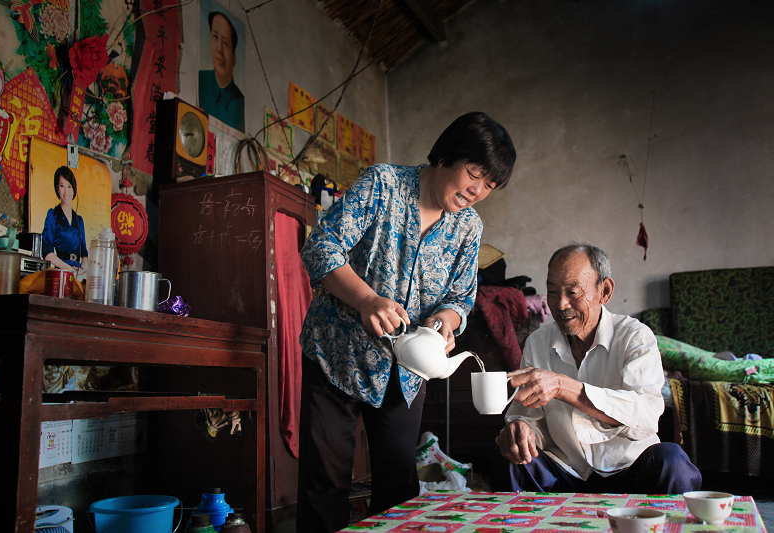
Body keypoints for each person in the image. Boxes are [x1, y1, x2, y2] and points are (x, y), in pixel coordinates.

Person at [298, 112, 517, 532]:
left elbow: (461, 298)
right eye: (474, 174)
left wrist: (444, 323)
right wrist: (366, 300)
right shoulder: (383, 185)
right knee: (325, 485)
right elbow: (321, 248)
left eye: (489, 185)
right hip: (336, 355)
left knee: (398, 489)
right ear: (447, 156)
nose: (476, 191)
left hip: (406, 372)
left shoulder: (468, 228)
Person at [491, 242, 701, 494]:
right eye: (553, 291)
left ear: (605, 291)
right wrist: (523, 430)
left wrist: (562, 386)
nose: (561, 305)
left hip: (630, 469)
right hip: (565, 473)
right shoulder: (538, 342)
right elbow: (531, 419)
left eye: (573, 292)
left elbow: (644, 417)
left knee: (672, 462)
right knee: (513, 462)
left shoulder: (635, 337)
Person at [198, 11, 244, 132]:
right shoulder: (200, 80)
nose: (219, 49)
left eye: (225, 43)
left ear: (234, 58)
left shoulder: (239, 102)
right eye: (215, 37)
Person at [42, 166, 88, 274]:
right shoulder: (52, 215)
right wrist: (70, 269)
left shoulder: (79, 220)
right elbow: (47, 253)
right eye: (62, 186)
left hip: (78, 273)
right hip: (60, 272)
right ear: (57, 188)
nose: (66, 191)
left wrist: (82, 269)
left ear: (74, 188)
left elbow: (84, 253)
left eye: (69, 186)